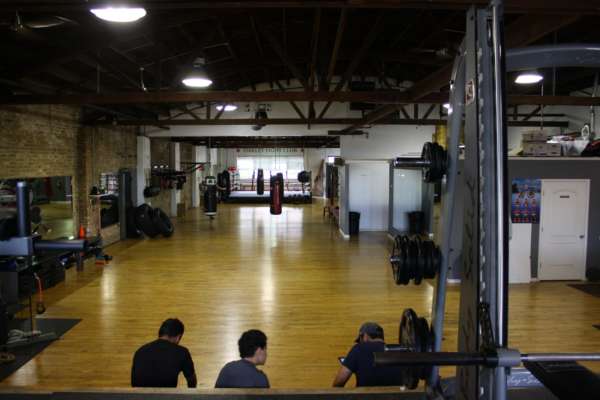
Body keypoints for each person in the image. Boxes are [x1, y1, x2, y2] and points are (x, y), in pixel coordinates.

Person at [131, 318, 197, 388]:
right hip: (167, 394)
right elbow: (191, 380)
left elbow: (134, 383)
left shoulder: (140, 351)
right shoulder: (182, 352)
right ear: (178, 337)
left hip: (140, 394)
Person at [332, 322, 402, 387]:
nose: (360, 343)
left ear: (365, 336)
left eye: (360, 340)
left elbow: (339, 381)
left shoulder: (358, 349)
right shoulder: (398, 350)